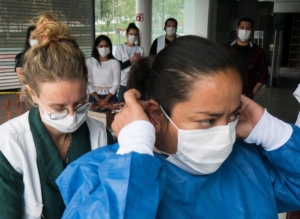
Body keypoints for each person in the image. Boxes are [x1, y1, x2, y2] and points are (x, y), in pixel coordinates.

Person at [57, 36, 300, 218]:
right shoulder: (98, 175)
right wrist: (135, 156)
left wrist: (271, 130)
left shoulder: (247, 161)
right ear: (156, 113)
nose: (225, 133)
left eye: (233, 115)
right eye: (207, 120)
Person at [0, 13, 114, 219]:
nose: (72, 116)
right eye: (59, 107)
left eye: (80, 104)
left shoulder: (102, 137)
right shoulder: (9, 145)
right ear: (33, 94)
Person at [224, 17, 269, 99]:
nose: (244, 31)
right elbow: (218, 69)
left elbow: (264, 74)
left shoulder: (258, 51)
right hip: (227, 92)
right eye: (242, 28)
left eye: (248, 28)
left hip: (247, 95)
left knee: (245, 112)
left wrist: (253, 91)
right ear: (237, 29)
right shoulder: (226, 49)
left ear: (251, 31)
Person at [86, 35, 120, 106]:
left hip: (111, 97)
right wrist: (98, 99)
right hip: (94, 97)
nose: (104, 48)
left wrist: (106, 100)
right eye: (101, 46)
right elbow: (88, 82)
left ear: (110, 47)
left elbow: (116, 83)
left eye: (106, 46)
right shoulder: (90, 62)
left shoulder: (115, 63)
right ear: (96, 47)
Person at [115, 23, 144, 102]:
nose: (133, 37)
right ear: (126, 34)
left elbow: (143, 68)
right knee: (120, 102)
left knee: (135, 102)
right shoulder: (120, 48)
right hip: (123, 82)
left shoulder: (140, 49)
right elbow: (118, 66)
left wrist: (139, 61)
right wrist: (131, 60)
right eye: (131, 34)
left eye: (135, 35)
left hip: (135, 81)